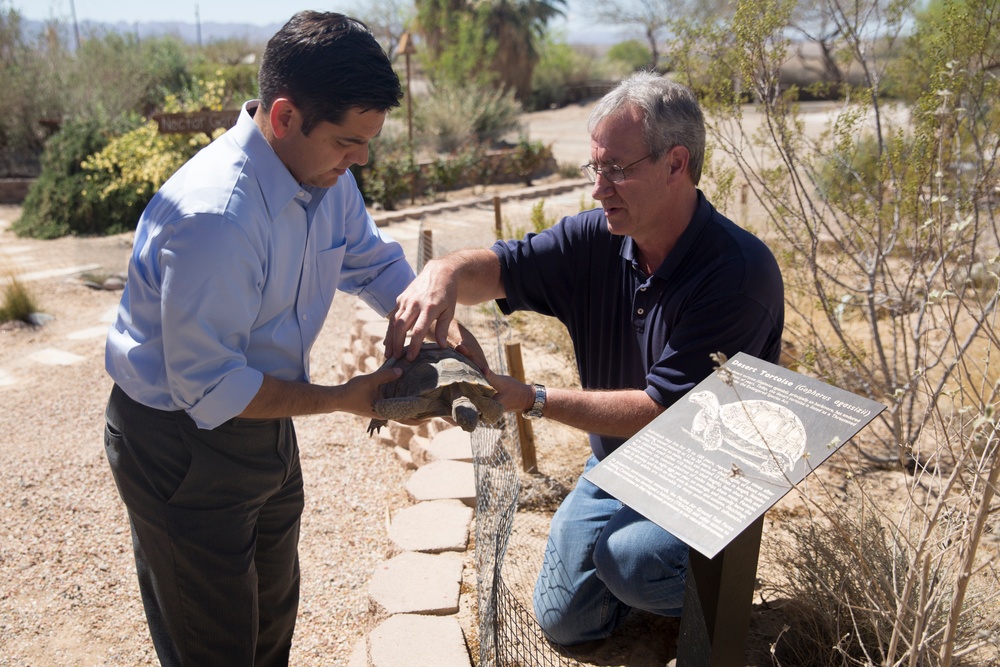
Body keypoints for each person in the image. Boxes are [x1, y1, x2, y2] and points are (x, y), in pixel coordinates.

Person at [385, 71, 785, 648]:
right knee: (564, 623)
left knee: (630, 563)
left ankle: (718, 594)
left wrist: (533, 399)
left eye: (617, 169)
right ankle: (648, 592)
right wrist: (442, 276)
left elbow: (663, 412)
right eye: (594, 168)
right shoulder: (597, 238)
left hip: (708, 478)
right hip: (619, 467)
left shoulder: (736, 273)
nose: (600, 188)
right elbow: (502, 266)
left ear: (677, 164)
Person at [103, 12, 442, 666]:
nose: (361, 159)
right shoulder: (214, 218)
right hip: (179, 445)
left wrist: (433, 320)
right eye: (349, 141)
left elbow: (370, 261)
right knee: (215, 647)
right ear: (284, 117)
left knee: (266, 630)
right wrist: (347, 396)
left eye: (368, 141)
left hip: (268, 420)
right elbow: (212, 389)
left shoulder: (326, 176)